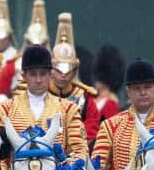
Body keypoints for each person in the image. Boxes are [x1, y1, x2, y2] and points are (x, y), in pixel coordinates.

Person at [0, 43, 88, 162]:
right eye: (33, 74)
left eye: (43, 74)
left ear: (50, 75)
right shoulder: (4, 110)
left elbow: (80, 151)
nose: (38, 80)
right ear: (24, 76)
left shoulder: (69, 109)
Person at [92, 57, 154, 170]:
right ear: (128, 91)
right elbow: (97, 169)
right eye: (137, 88)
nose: (143, 92)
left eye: (147, 87)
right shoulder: (110, 126)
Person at [47, 13, 114, 144]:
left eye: (67, 70)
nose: (63, 75)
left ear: (75, 70)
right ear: (51, 70)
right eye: (58, 70)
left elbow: (90, 133)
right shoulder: (41, 94)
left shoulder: (85, 99)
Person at [0, 0, 49, 100]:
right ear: (27, 42)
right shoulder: (12, 66)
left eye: (40, 44)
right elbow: (1, 91)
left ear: (45, 43)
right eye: (32, 44)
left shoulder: (55, 68)